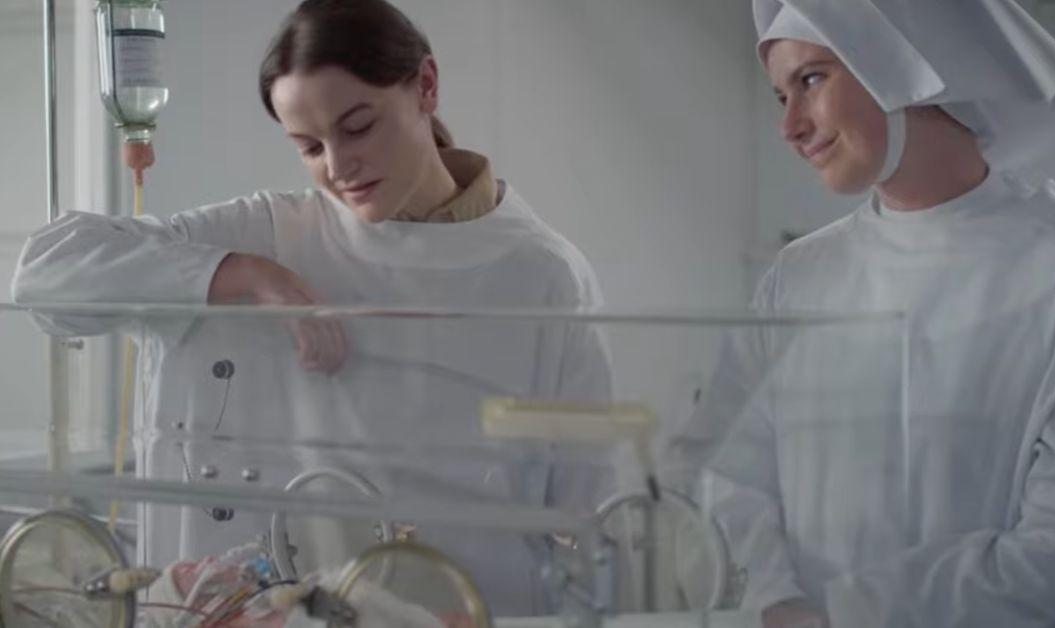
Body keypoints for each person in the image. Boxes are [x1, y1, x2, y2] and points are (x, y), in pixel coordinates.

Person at [11, 0, 610, 616]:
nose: (338, 166)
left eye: (357, 127)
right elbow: (46, 272)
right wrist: (243, 275)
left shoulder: (541, 273)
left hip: (471, 607)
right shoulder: (272, 231)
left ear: (425, 87)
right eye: (308, 146)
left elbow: (589, 514)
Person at [668, 0, 1055, 626]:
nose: (792, 126)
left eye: (812, 79)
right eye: (782, 94)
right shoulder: (799, 277)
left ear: (909, 65)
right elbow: (723, 473)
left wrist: (842, 616)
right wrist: (777, 601)